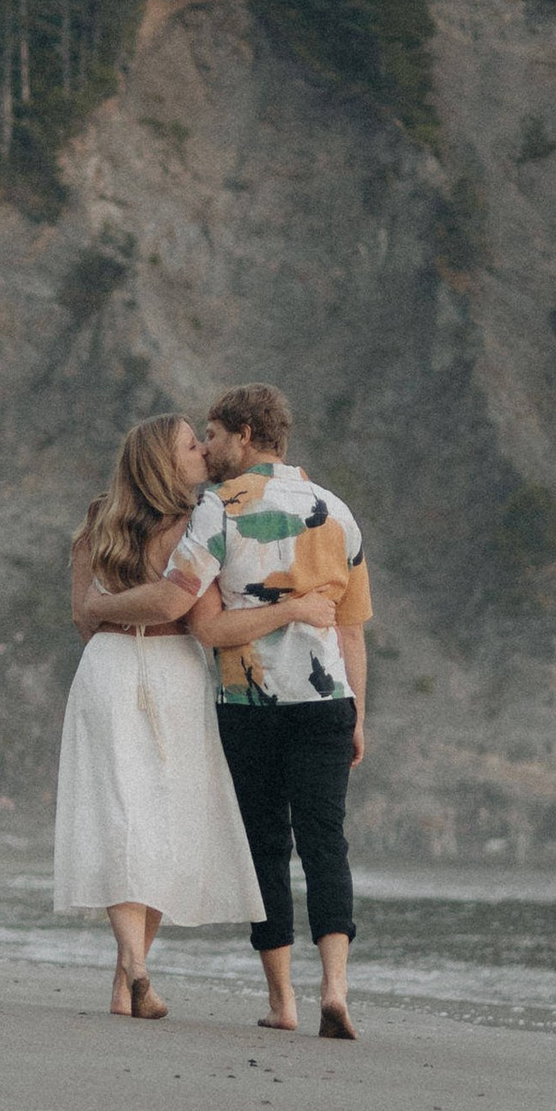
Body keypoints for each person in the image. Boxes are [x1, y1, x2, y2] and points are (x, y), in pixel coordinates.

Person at [52, 413, 334, 1019]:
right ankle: (137, 969)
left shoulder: (97, 521)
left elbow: (83, 614)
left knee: (121, 818)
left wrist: (107, 615)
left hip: (106, 666)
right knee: (157, 822)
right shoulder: (199, 520)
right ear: (164, 461)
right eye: (190, 445)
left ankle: (127, 979)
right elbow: (186, 610)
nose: (203, 452)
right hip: (173, 670)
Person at [186, 383, 374, 1041]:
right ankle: (336, 988)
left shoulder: (217, 508)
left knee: (266, 844)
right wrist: (358, 716)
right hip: (327, 701)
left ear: (244, 435)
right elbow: (351, 631)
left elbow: (207, 629)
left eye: (213, 435)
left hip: (249, 703)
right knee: (327, 843)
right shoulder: (337, 511)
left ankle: (283, 1001)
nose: (206, 447)